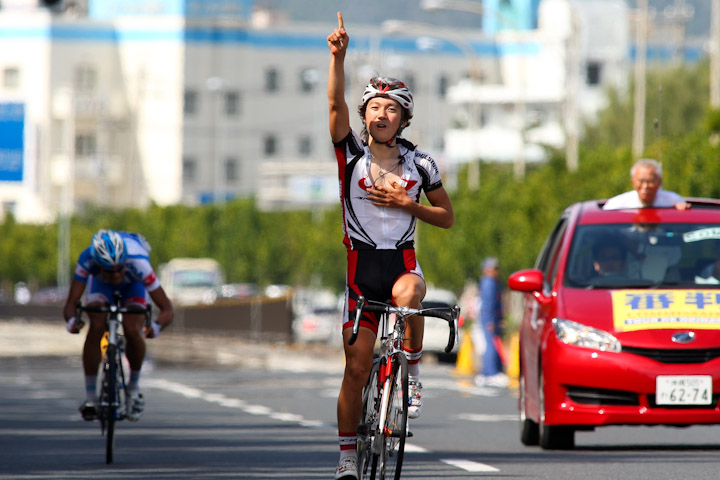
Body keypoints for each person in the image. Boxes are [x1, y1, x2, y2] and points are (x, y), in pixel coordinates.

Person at [327, 12, 455, 480]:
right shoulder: (350, 156)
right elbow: (333, 106)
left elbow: (446, 217)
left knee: (409, 296)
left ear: (403, 117)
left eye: (392, 109)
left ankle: (413, 378)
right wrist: (337, 58)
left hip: (401, 265)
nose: (382, 115)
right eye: (374, 109)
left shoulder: (421, 164)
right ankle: (345, 461)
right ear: (365, 116)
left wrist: (409, 204)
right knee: (356, 370)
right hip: (360, 272)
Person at [63, 229, 174, 422]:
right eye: (109, 270)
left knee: (132, 328)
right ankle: (91, 397)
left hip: (133, 285)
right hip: (100, 285)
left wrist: (156, 327)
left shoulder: (139, 262)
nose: (115, 274)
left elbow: (167, 308)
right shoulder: (87, 259)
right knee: (96, 324)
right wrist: (72, 321)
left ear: (125, 262)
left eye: (119, 268)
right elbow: (71, 303)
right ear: (98, 264)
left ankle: (133, 389)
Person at [473, 257, 508, 388]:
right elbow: (488, 304)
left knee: (492, 344)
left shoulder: (491, 282)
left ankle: (489, 372)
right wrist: (490, 321)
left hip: (493, 318)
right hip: (490, 319)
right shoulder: (489, 283)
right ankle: (490, 373)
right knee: (491, 345)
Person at [603, 158, 690, 210]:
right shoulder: (616, 205)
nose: (645, 186)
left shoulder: (673, 201)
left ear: (659, 182)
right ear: (633, 181)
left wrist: (680, 210)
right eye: (640, 181)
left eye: (650, 181)